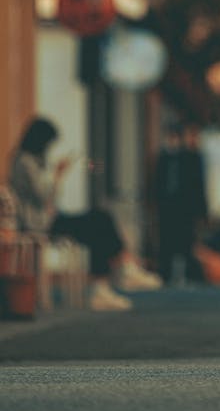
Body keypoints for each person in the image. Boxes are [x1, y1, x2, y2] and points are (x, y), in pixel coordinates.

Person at [9, 116, 161, 311]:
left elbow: (47, 198)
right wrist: (58, 174)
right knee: (99, 220)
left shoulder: (30, 161)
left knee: (99, 221)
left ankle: (112, 276)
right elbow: (42, 195)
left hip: (48, 218)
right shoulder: (24, 162)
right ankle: (115, 274)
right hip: (38, 224)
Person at [154, 121, 208, 284]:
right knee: (166, 241)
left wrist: (202, 210)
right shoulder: (163, 158)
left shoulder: (192, 158)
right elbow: (157, 184)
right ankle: (166, 274)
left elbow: (199, 185)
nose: (172, 140)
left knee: (186, 241)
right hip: (167, 206)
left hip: (186, 207)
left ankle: (190, 275)